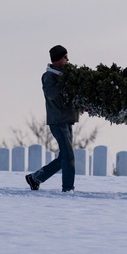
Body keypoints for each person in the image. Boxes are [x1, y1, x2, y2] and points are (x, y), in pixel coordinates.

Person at [25, 45, 80, 192]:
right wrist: (63, 82)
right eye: (65, 57)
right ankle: (68, 189)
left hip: (67, 119)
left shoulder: (64, 75)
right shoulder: (49, 76)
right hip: (58, 121)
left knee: (64, 157)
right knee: (69, 157)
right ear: (57, 59)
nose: (68, 60)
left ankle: (35, 178)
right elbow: (51, 94)